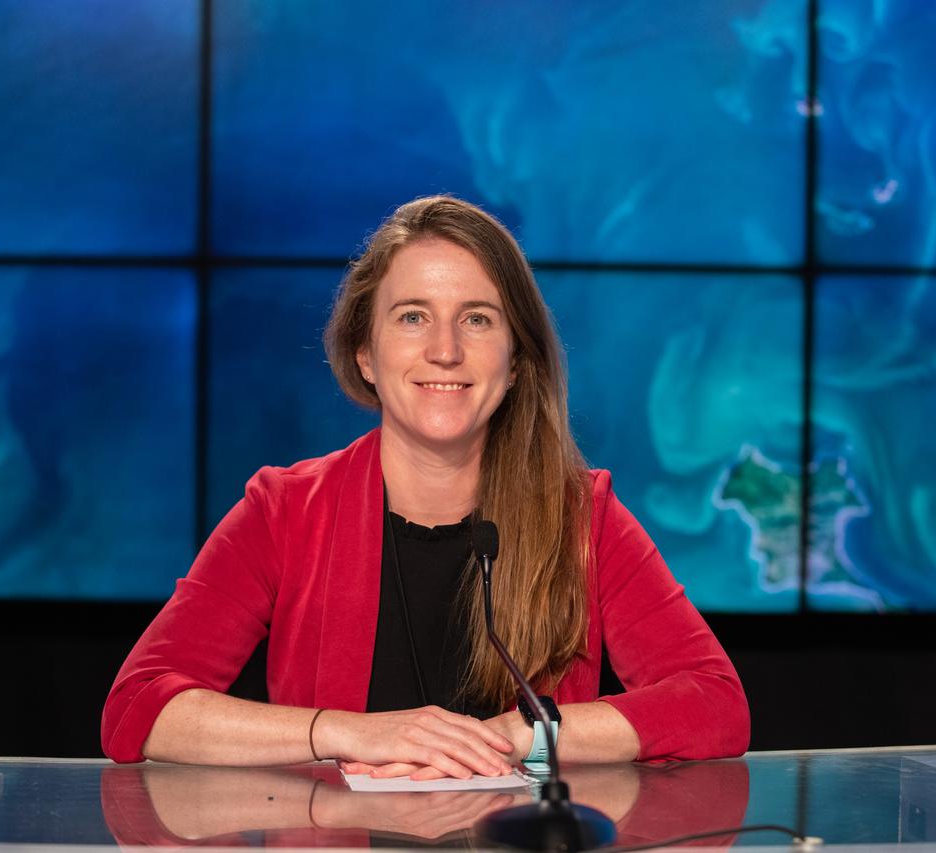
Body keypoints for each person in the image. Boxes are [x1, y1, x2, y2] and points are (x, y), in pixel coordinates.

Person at [102, 196, 748, 777]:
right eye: (413, 317)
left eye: (477, 320)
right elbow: (138, 707)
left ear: (516, 361)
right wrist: (345, 733)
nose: (445, 350)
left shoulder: (583, 516)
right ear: (365, 353)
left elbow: (715, 704)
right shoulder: (284, 512)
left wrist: (523, 736)